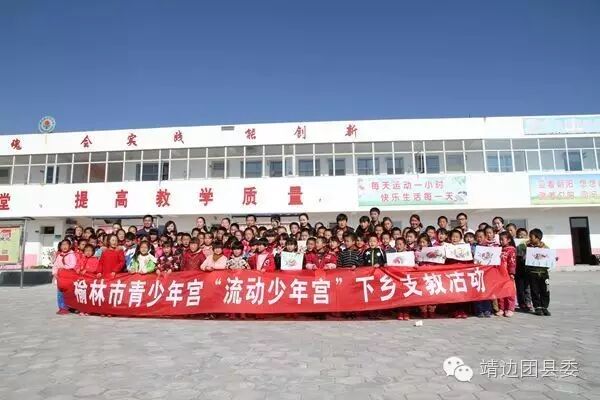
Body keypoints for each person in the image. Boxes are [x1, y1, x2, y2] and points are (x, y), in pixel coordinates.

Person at [519, 228, 552, 316]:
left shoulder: (545, 248)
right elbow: (523, 257)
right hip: (532, 273)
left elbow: (548, 260)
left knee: (545, 290)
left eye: (531, 237)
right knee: (534, 291)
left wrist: (552, 260)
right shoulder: (527, 247)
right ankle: (537, 307)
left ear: (538, 238)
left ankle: (544, 307)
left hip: (544, 274)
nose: (530, 239)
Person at [53, 239, 78, 314]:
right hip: (60, 278)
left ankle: (72, 307)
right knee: (60, 292)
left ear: (69, 246)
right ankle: (62, 307)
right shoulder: (59, 255)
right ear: (60, 246)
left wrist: (63, 268)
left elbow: (72, 265)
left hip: (68, 277)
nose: (64, 246)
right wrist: (55, 273)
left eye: (66, 244)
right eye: (63, 244)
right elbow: (55, 265)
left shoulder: (71, 255)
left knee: (70, 292)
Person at [497, 232, 516, 317]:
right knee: (500, 292)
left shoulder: (511, 250)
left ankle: (510, 308)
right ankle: (502, 308)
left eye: (502, 239)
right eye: (500, 239)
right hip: (499, 273)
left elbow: (512, 262)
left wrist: (512, 272)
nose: (501, 241)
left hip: (507, 273)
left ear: (508, 240)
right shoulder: (499, 249)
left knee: (509, 291)